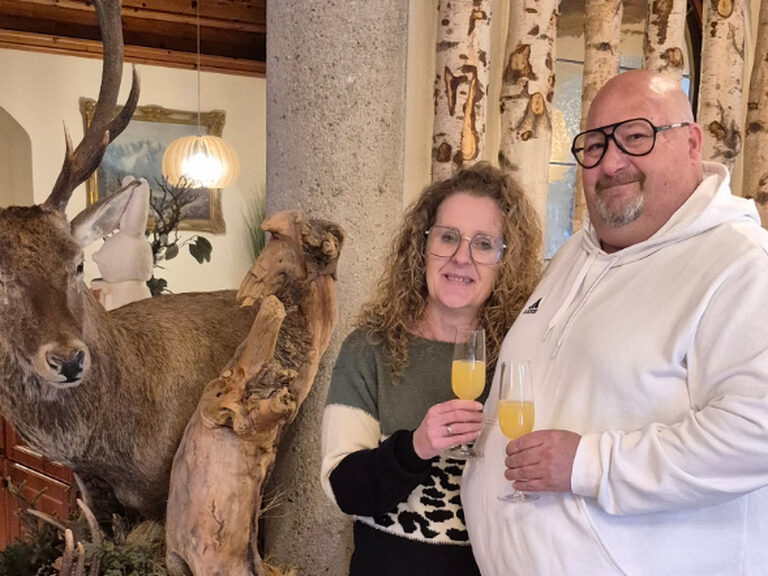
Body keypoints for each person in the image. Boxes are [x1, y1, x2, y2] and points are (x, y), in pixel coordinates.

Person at [462, 69, 768, 575]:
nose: (610, 162)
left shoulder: (740, 265)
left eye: (635, 137)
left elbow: (756, 432)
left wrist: (590, 464)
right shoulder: (573, 257)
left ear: (691, 143)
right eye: (595, 145)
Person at [320, 162, 542, 576]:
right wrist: (415, 447)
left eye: (484, 244)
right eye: (448, 237)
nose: (462, 257)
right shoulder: (369, 349)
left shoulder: (523, 354)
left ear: (504, 261)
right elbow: (343, 489)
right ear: (422, 246)